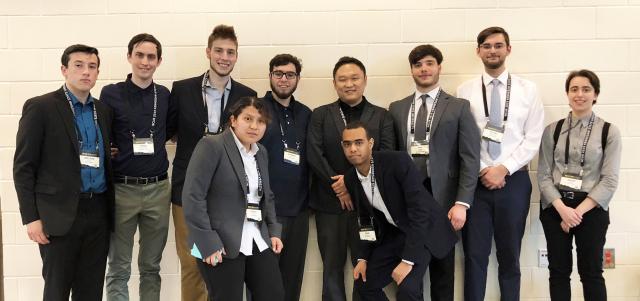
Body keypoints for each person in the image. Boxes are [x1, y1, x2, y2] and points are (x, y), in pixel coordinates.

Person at [13, 44, 114, 300]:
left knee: (90, 291)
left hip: (98, 212)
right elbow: (24, 167)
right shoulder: (41, 107)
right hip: (57, 216)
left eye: (92, 67)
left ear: (98, 72)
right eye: (78, 65)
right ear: (64, 70)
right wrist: (31, 217)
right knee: (57, 291)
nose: (86, 72)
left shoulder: (103, 111)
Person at [168, 24, 257, 301]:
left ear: (236, 56)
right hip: (188, 190)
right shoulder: (181, 90)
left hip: (231, 194)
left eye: (230, 52)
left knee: (227, 262)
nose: (224, 56)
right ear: (208, 52)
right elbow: (168, 133)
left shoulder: (247, 94)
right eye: (218, 50)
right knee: (193, 263)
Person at [456, 26, 545, 301]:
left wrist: (503, 168)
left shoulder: (528, 90)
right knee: (474, 256)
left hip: (514, 181)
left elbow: (533, 137)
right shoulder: (465, 89)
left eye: (497, 45)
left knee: (510, 256)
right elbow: (464, 136)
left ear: (508, 49)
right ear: (478, 51)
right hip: (476, 182)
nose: (492, 50)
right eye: (486, 46)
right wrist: (485, 168)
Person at [389, 44, 480, 301]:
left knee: (443, 269)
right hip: (410, 199)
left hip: (444, 199)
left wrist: (462, 203)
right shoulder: (397, 108)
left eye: (429, 63)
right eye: (418, 65)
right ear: (411, 70)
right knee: (410, 266)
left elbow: (470, 158)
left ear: (439, 67)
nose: (424, 69)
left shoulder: (459, 107)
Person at [307, 56, 396, 301]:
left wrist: (350, 184)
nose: (349, 84)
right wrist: (339, 187)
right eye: (342, 79)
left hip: (368, 205)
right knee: (331, 270)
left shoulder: (382, 116)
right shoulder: (321, 115)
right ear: (334, 83)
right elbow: (314, 154)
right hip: (330, 205)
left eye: (355, 78)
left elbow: (386, 155)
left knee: (364, 267)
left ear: (365, 81)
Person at [340, 121, 457, 301]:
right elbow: (365, 221)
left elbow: (420, 212)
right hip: (395, 234)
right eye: (347, 144)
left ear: (370, 143)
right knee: (364, 284)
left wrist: (407, 261)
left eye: (358, 142)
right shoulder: (350, 178)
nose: (353, 149)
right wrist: (362, 258)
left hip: (425, 230)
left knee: (408, 289)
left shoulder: (396, 162)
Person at [182, 96, 284, 301]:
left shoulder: (260, 152)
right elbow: (193, 196)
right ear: (233, 120)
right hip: (220, 241)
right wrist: (207, 242)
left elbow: (267, 196)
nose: (255, 126)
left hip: (256, 237)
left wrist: (273, 230)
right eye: (248, 119)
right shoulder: (212, 145)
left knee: (273, 294)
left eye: (261, 121)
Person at [101, 33, 174, 301]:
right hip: (122, 189)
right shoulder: (111, 93)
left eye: (151, 57)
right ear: (129, 56)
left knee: (151, 267)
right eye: (140, 55)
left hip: (158, 189)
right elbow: (102, 132)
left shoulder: (164, 95)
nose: (145, 62)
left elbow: (170, 131)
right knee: (119, 267)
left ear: (159, 61)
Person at [537, 69, 621, 301]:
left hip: (592, 209)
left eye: (586, 89)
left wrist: (577, 213)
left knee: (592, 273)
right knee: (558, 273)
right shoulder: (552, 130)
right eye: (574, 89)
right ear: (567, 94)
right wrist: (563, 210)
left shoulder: (609, 131)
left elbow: (610, 180)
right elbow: (543, 175)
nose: (579, 94)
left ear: (596, 95)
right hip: (555, 208)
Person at [258, 53, 311, 301]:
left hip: (299, 210)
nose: (283, 79)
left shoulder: (306, 114)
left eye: (290, 74)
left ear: (298, 79)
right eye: (278, 73)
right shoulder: (255, 109)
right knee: (265, 281)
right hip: (265, 211)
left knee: (292, 280)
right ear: (270, 76)